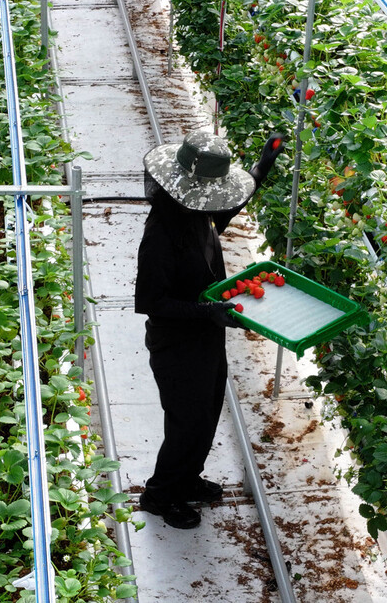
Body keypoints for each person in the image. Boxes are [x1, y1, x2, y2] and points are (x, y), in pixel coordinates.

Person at [134, 131, 285, 529]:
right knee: (186, 421)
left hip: (204, 335)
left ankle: (187, 478)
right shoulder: (160, 236)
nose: (215, 201)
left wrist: (261, 168)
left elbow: (224, 213)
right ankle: (160, 495)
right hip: (175, 341)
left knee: (207, 411)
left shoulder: (195, 209)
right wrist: (208, 312)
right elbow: (154, 303)